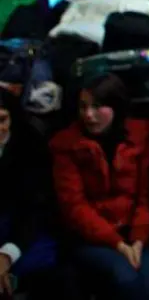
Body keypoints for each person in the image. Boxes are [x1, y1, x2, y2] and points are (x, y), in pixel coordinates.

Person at [49, 73, 149, 300]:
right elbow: (74, 207)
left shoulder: (139, 137)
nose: (88, 115)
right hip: (91, 237)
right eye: (83, 106)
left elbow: (143, 198)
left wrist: (138, 240)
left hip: (135, 233)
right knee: (126, 279)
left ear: (115, 107)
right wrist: (117, 244)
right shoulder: (67, 145)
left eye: (97, 106)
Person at [0, 89, 68, 299]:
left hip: (25, 230)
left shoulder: (30, 145)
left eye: (1, 119)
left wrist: (7, 255)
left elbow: (36, 208)